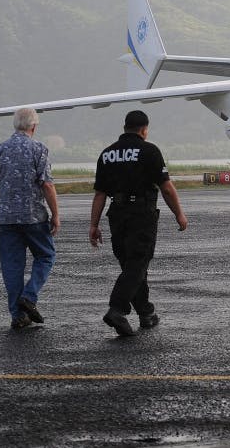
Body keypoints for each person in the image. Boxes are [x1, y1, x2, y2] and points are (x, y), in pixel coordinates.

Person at [89, 110, 188, 337]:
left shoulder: (107, 154)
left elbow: (100, 195)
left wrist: (93, 225)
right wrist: (179, 214)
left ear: (125, 127)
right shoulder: (149, 151)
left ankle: (145, 313)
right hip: (141, 213)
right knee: (138, 263)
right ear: (144, 129)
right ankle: (117, 309)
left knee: (131, 265)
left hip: (116, 213)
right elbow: (166, 187)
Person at [0, 108, 60, 329]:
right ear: (34, 126)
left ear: (15, 125)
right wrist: (56, 215)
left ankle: (17, 315)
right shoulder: (38, 149)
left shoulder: (0, 149)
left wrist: (5, 186)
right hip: (33, 216)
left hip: (7, 218)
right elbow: (47, 185)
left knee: (12, 267)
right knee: (46, 256)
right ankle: (29, 296)